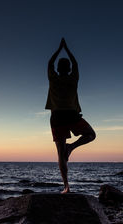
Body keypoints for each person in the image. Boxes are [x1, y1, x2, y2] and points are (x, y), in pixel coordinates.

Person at [45, 38, 96, 194]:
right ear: (68, 68)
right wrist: (66, 48)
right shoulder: (73, 78)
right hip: (71, 115)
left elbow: (50, 63)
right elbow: (75, 63)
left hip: (58, 117)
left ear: (59, 68)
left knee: (61, 153)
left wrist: (59, 49)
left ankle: (66, 186)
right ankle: (71, 148)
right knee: (91, 135)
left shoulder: (53, 79)